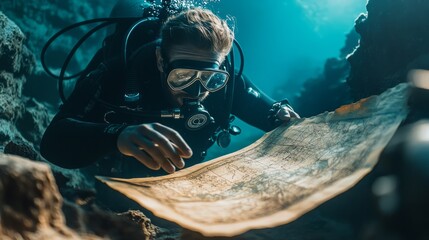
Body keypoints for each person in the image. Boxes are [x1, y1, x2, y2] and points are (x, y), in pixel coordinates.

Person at [40, 5, 299, 178]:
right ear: (161, 61)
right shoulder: (119, 72)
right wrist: (115, 135)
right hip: (111, 180)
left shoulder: (226, 83)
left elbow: (276, 117)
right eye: (183, 76)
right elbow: (53, 142)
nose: (197, 91)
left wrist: (284, 119)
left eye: (210, 78)